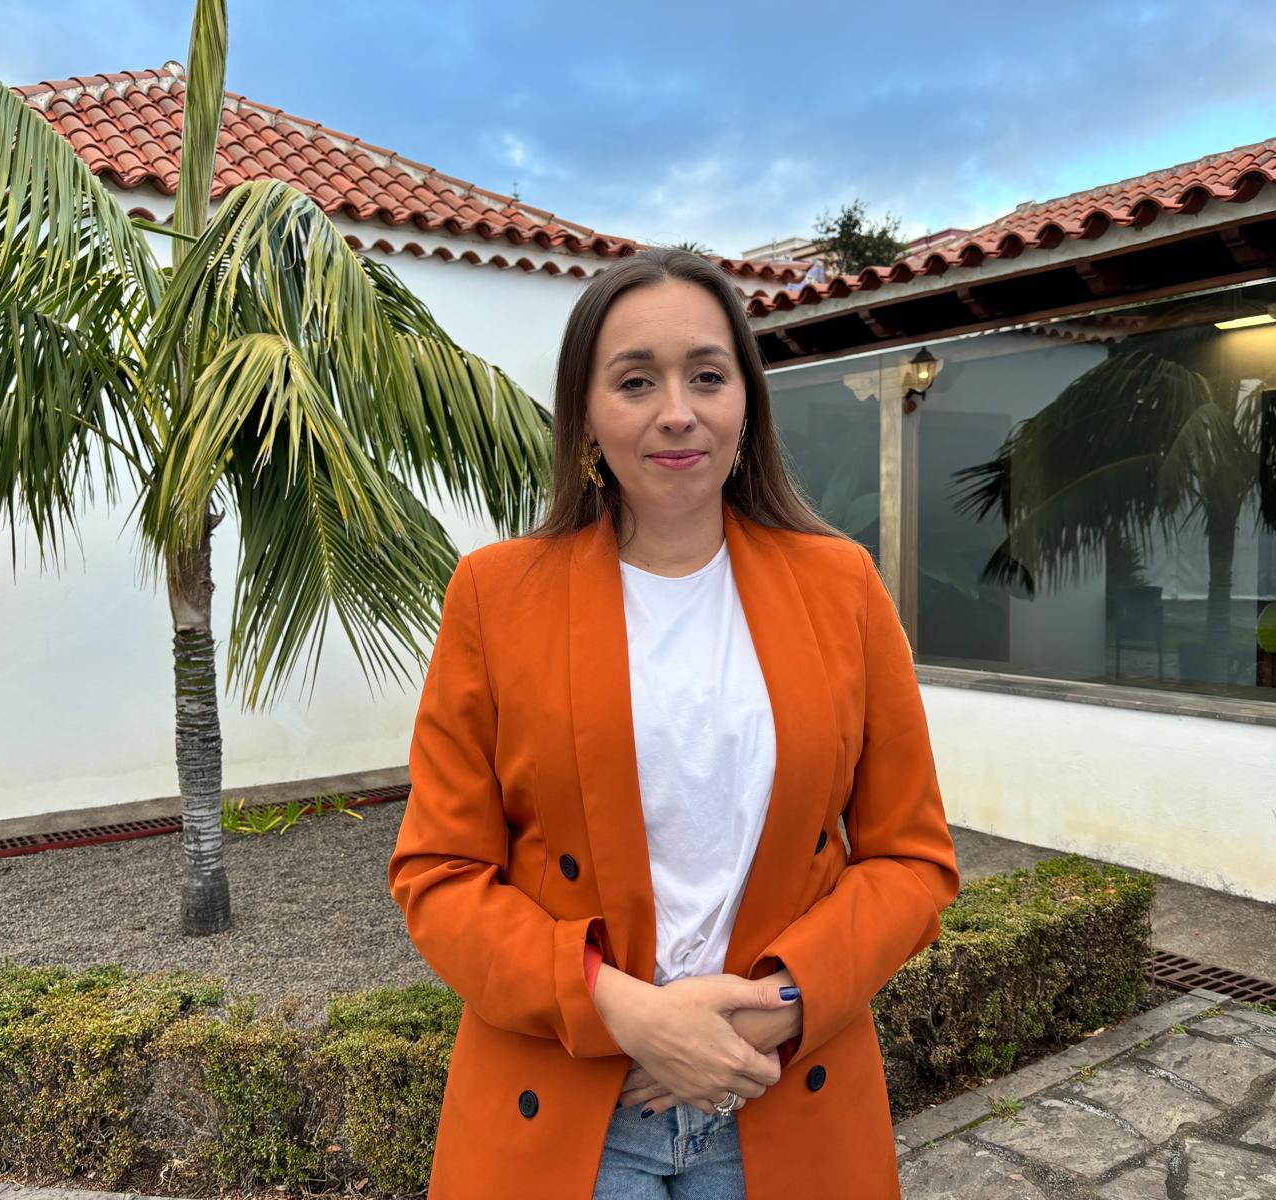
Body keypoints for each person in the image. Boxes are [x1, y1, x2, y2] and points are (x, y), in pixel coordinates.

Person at [388, 248, 960, 1198]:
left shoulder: (842, 588)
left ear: (747, 403)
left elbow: (912, 858)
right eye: (635, 381)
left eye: (706, 375)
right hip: (573, 1106)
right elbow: (439, 874)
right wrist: (625, 1012)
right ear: (586, 415)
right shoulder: (495, 596)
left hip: (778, 1091)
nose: (676, 411)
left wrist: (784, 1003)